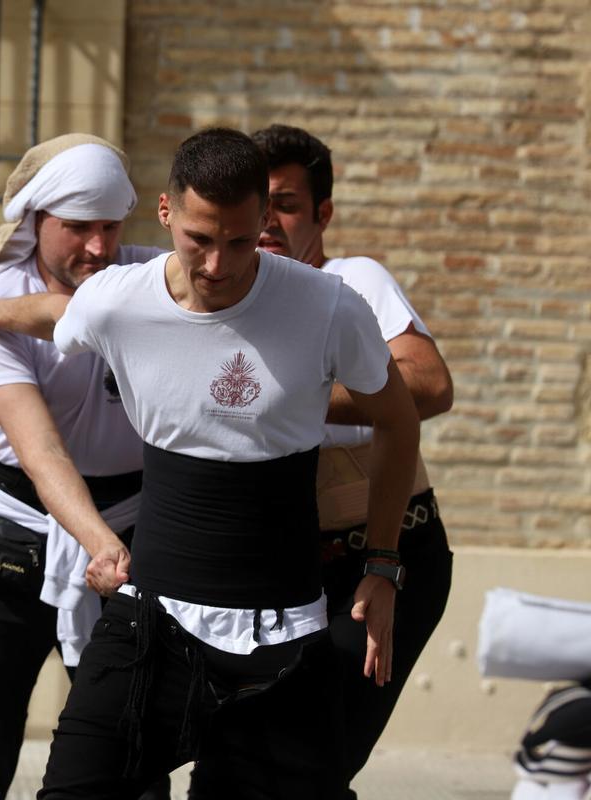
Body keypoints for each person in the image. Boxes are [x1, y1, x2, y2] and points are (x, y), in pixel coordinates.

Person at [0, 127, 421, 798]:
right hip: (150, 626)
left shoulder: (328, 306)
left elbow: (397, 417)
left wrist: (383, 565)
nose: (219, 266)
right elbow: (57, 315)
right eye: (200, 241)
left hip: (283, 641)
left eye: (241, 241)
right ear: (167, 215)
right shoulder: (121, 298)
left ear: (264, 223)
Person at [0, 133, 167, 800]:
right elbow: (42, 451)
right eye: (77, 228)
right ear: (36, 221)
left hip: (127, 534)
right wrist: (103, 546)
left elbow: (103, 311)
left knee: (137, 762)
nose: (97, 247)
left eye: (110, 226)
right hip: (3, 551)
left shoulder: (144, 277)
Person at [253, 123, 455, 798]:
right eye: (258, 201)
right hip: (280, 565)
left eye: (285, 203)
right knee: (259, 756)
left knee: (313, 760)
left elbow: (428, 383)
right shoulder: (222, 292)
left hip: (387, 555)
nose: (267, 220)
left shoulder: (352, 280)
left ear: (322, 215)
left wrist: (294, 397)